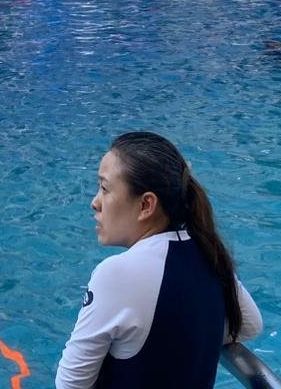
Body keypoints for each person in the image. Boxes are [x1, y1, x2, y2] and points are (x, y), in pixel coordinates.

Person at [55, 131, 260, 389]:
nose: (95, 203)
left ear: (146, 205)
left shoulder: (116, 273)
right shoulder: (208, 252)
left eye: (105, 189)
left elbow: (70, 383)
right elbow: (249, 326)